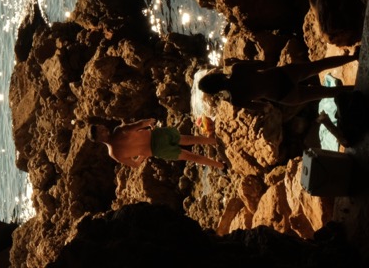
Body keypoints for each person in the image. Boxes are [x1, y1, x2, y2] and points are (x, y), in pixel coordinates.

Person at [197, 53, 358, 108]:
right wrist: (241, 61)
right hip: (282, 75)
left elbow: (262, 106)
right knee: (319, 66)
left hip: (283, 96)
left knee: (327, 93)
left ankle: (360, 89)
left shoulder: (235, 100)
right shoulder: (237, 69)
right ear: (215, 76)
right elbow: (262, 64)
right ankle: (354, 57)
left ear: (215, 91)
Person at [89, 117, 224, 170]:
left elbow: (135, 164)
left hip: (155, 150)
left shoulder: (113, 154)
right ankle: (216, 142)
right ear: (100, 136)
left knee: (189, 155)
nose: (104, 128)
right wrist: (149, 121)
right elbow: (138, 124)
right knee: (187, 140)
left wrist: (143, 155)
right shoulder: (118, 131)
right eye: (102, 129)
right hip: (157, 136)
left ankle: (220, 165)